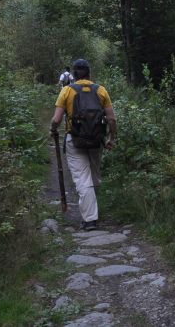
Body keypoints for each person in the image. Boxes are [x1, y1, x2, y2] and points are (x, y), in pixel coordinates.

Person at [50, 59, 116, 231]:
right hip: (96, 139)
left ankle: (90, 220)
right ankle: (91, 210)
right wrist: (112, 138)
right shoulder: (100, 90)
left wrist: (53, 129)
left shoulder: (67, 90)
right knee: (93, 177)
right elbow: (111, 118)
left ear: (74, 74)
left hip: (75, 139)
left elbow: (57, 119)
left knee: (82, 179)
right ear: (89, 73)